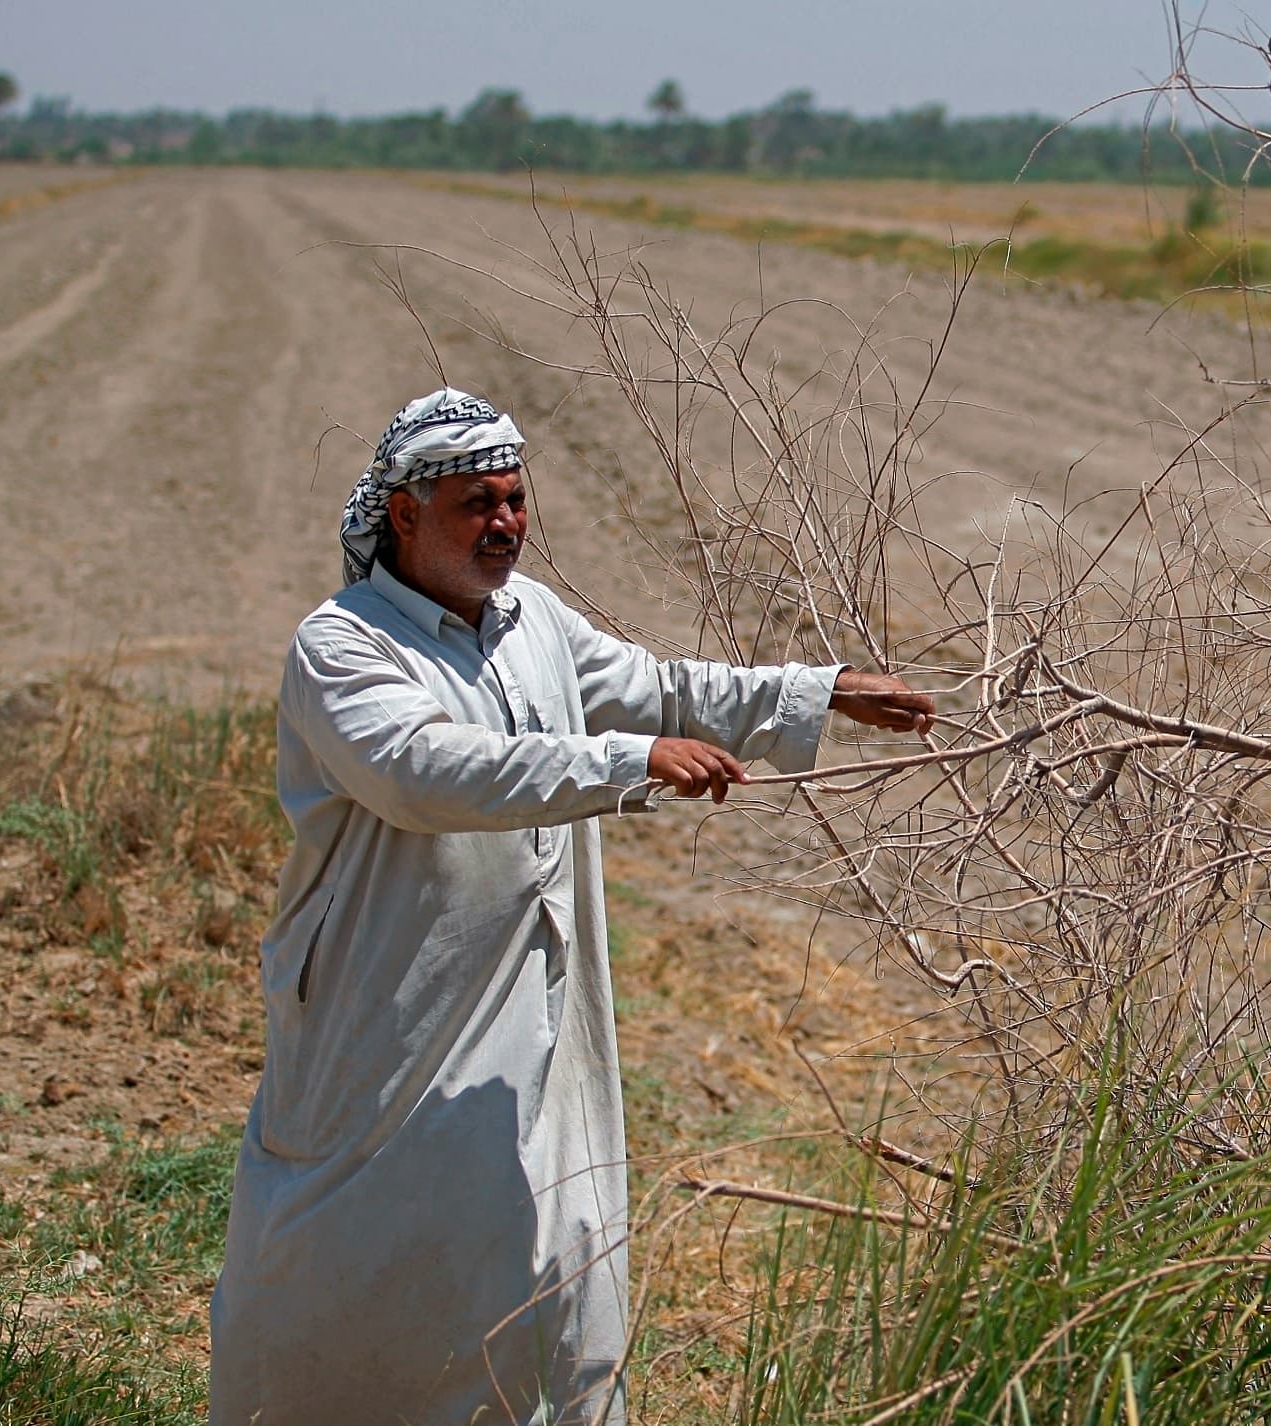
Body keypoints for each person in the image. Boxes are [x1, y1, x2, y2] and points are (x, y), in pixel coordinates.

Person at [209, 388, 932, 1425]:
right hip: (391, 1018)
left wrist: (819, 693)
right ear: (405, 516)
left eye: (514, 499)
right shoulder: (343, 645)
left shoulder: (531, 619)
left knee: (548, 1240)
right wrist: (624, 761)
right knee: (362, 1262)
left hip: (540, 1012)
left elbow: (662, 689)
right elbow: (425, 771)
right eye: (476, 504)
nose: (504, 523)